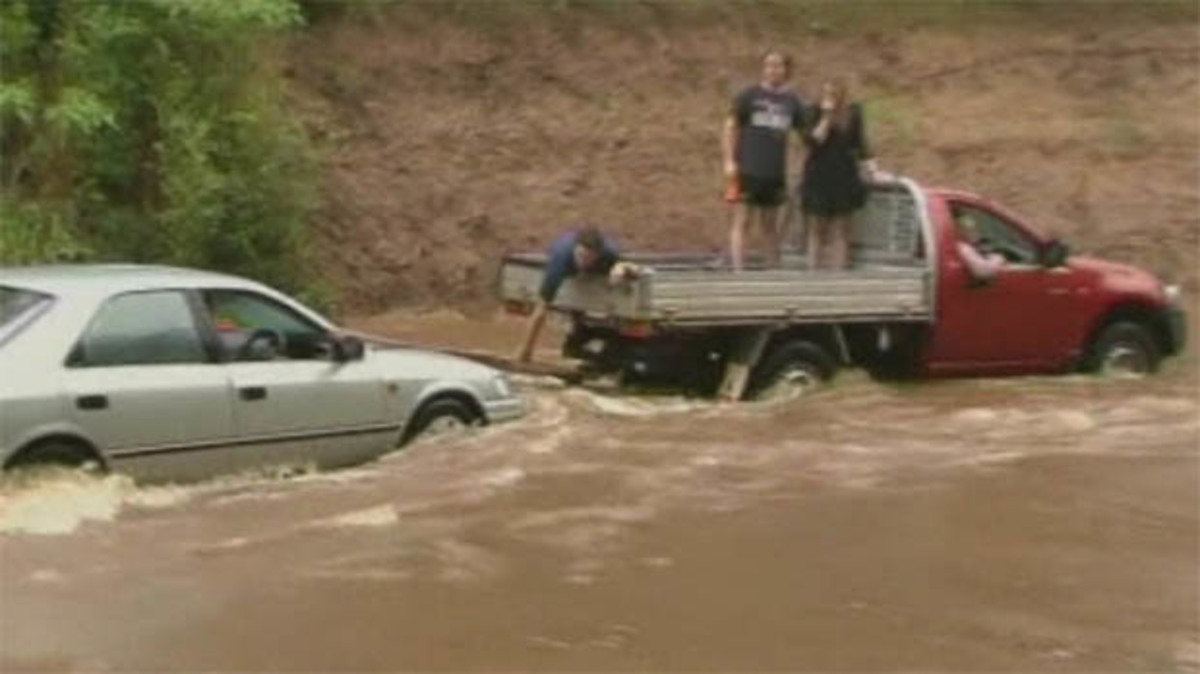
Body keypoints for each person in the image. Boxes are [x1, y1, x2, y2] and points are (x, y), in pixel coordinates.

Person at [723, 49, 808, 271]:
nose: (773, 70)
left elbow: (806, 133)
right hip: (748, 168)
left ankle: (772, 270)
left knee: (770, 225)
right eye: (769, 65)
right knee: (743, 220)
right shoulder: (749, 96)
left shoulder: (792, 101)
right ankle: (738, 271)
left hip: (774, 171)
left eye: (778, 65)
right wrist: (730, 161)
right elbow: (731, 126)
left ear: (785, 70)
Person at [516, 227, 639, 363]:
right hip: (563, 255)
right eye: (580, 256)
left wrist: (620, 269)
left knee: (616, 272)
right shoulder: (560, 259)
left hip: (605, 257)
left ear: (597, 255)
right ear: (575, 249)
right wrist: (526, 349)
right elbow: (541, 309)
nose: (583, 261)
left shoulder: (609, 252)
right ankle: (578, 339)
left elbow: (633, 267)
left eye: (588, 258)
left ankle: (595, 344)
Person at [801, 79, 877, 270]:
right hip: (818, 175)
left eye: (834, 94)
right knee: (817, 228)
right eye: (826, 94)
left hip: (844, 174)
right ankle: (812, 277)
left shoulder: (853, 112)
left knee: (841, 229)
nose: (830, 98)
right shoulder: (812, 112)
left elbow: (861, 143)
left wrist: (872, 168)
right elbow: (813, 141)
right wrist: (826, 117)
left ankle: (838, 277)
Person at [954, 212, 1006, 282]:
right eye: (970, 230)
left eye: (975, 229)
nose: (976, 233)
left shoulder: (964, 246)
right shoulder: (963, 248)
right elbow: (983, 271)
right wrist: (999, 258)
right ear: (959, 231)